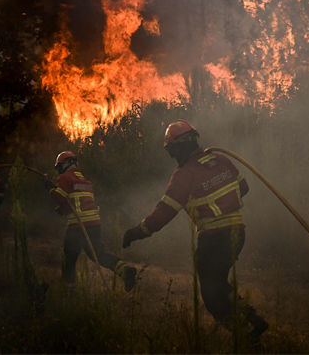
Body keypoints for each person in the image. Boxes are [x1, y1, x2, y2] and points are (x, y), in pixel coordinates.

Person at [122, 119, 268, 344]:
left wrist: (136, 232)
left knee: (211, 293)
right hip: (238, 233)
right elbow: (244, 187)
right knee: (218, 283)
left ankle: (244, 335)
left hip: (213, 239)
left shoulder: (184, 174)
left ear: (180, 146)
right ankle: (252, 321)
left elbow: (164, 212)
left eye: (172, 150)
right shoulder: (221, 159)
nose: (172, 156)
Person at [49, 150, 136, 292]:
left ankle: (69, 293)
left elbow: (58, 197)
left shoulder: (65, 177)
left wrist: (49, 188)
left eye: (60, 166)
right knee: (98, 254)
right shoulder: (85, 180)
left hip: (77, 226)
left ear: (68, 163)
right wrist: (63, 209)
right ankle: (125, 270)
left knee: (69, 261)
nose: (59, 170)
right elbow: (77, 202)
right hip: (94, 224)